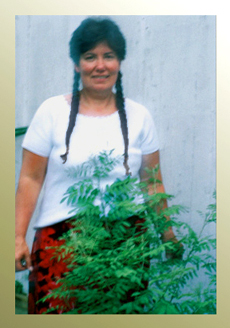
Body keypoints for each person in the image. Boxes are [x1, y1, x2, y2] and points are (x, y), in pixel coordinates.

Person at [15, 17, 181, 314]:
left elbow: (152, 182)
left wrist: (167, 234)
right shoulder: (51, 112)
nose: (100, 65)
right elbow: (30, 178)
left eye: (109, 56)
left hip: (126, 242)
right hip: (61, 243)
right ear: (77, 64)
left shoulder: (140, 116)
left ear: (120, 61)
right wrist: (16, 237)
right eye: (90, 57)